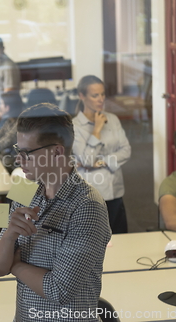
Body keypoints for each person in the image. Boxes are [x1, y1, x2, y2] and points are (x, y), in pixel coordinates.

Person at [0, 103, 111, 322]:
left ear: (56, 152)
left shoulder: (87, 207)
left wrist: (15, 265)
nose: (18, 160)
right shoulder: (23, 190)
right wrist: (8, 235)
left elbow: (59, 291)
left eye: (26, 153)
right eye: (18, 150)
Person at [72, 75, 131, 234]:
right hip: (93, 194)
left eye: (103, 94)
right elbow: (87, 159)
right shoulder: (75, 126)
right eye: (95, 95)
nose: (101, 99)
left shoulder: (112, 119)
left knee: (120, 238)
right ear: (82, 96)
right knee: (97, 242)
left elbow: (126, 150)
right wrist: (97, 130)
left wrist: (102, 162)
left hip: (116, 190)